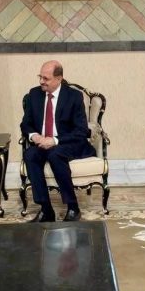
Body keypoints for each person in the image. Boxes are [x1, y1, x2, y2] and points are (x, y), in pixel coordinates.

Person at [20, 60, 95, 222]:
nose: (41, 81)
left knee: (55, 154)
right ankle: (46, 209)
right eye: (40, 77)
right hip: (42, 142)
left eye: (46, 78)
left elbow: (81, 130)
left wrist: (54, 140)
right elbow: (25, 124)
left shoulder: (73, 96)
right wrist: (34, 136)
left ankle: (73, 207)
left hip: (67, 143)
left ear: (59, 78)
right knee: (30, 154)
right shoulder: (34, 94)